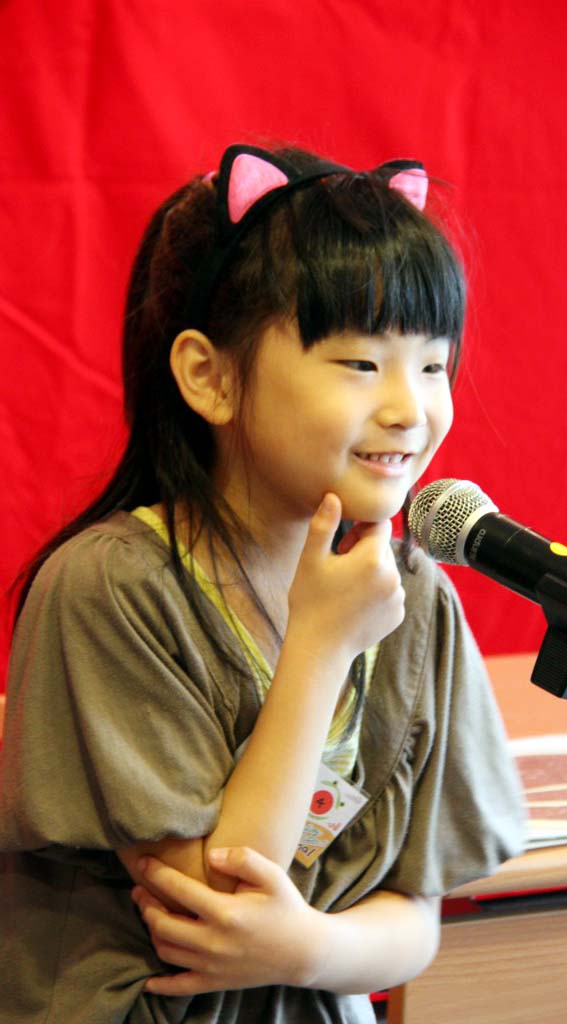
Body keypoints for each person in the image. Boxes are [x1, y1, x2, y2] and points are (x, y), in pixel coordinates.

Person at [0, 142, 525, 1023]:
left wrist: (311, 950)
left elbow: (416, 917)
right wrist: (320, 645)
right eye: (361, 364)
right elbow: (212, 907)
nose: (410, 409)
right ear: (209, 377)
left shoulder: (414, 594)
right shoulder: (109, 586)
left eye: (433, 365)